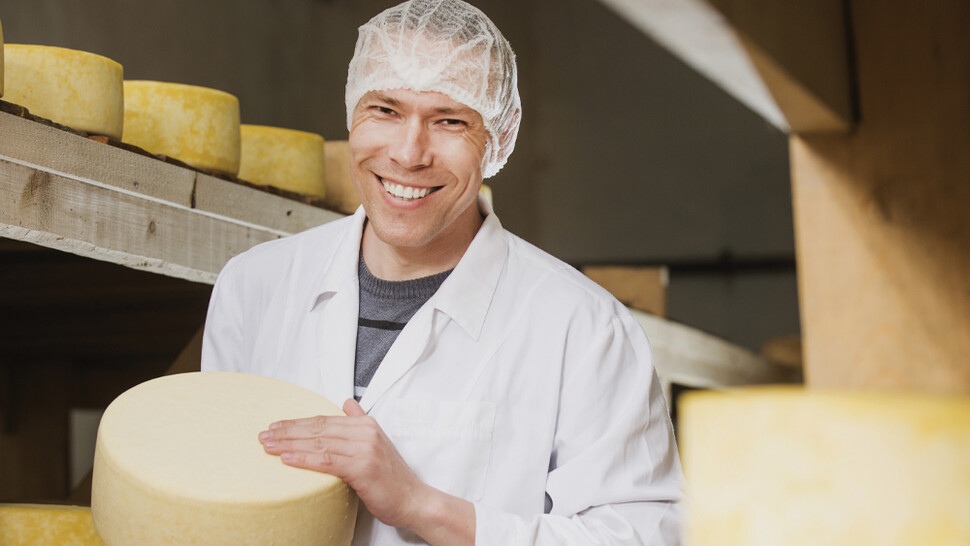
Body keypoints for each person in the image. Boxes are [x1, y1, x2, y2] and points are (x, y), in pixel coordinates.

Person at [201, 0, 683, 544]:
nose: (409, 154)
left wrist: (420, 505)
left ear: (498, 137)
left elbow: (643, 536)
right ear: (352, 112)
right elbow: (213, 494)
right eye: (385, 109)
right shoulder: (253, 287)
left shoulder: (586, 330)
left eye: (449, 120)